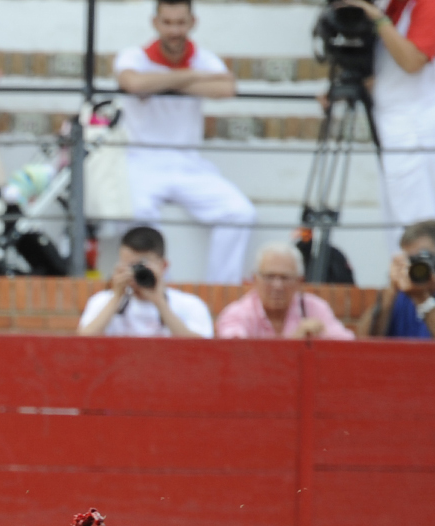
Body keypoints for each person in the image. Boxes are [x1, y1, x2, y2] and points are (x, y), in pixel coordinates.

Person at [112, 0, 255, 284]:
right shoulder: (134, 56)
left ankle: (221, 292)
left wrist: (160, 82)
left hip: (189, 163)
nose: (174, 30)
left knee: (240, 213)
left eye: (180, 23)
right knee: (138, 213)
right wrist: (191, 77)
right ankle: (158, 291)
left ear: (193, 22)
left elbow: (226, 87)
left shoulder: (203, 58)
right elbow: (133, 84)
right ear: (155, 23)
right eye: (167, 22)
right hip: (141, 160)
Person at [332, 0, 435, 236]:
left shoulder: (433, 4)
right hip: (398, 128)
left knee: (421, 228)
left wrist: (378, 19)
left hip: (421, 131)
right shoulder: (395, 7)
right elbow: (389, 74)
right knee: (399, 229)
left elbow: (412, 61)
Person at [77, 224, 213, 339]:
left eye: (142, 267)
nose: (136, 273)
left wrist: (160, 302)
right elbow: (83, 342)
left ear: (163, 266)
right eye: (130, 266)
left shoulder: (190, 305)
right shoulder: (102, 302)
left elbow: (202, 348)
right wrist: (117, 297)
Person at [359, 219, 435, 340]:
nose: (417, 266)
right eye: (411, 260)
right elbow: (362, 342)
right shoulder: (400, 297)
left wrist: (423, 300)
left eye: (423, 258)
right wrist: (389, 294)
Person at [215, 242, 356, 340]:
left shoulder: (315, 308)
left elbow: (346, 346)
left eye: (285, 278)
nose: (277, 285)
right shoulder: (237, 314)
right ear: (255, 280)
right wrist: (294, 342)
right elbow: (235, 354)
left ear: (299, 282)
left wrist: (323, 338)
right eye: (269, 277)